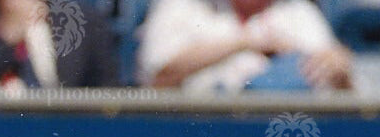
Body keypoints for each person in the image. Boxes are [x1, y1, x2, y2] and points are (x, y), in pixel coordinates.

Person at [138, 0, 355, 92]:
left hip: (279, 126)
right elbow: (159, 76)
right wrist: (244, 43)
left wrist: (341, 72)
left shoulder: (299, 11)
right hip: (197, 132)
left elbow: (344, 91)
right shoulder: (180, 5)